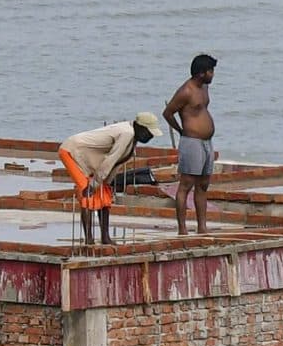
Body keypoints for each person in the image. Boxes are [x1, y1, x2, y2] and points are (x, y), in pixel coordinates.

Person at [59, 112, 160, 245]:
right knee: (87, 193)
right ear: (140, 127)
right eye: (149, 133)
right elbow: (111, 160)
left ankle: (105, 238)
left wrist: (106, 183)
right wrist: (94, 183)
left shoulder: (132, 137)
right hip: (71, 152)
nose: (150, 137)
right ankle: (89, 240)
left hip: (89, 160)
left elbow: (116, 163)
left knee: (104, 195)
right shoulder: (127, 134)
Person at [161, 54, 219, 235]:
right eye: (210, 71)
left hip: (206, 142)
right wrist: (181, 130)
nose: (213, 75)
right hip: (191, 141)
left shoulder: (204, 88)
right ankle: (183, 229)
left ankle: (202, 227)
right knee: (186, 184)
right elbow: (168, 112)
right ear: (202, 73)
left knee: (203, 184)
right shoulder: (186, 91)